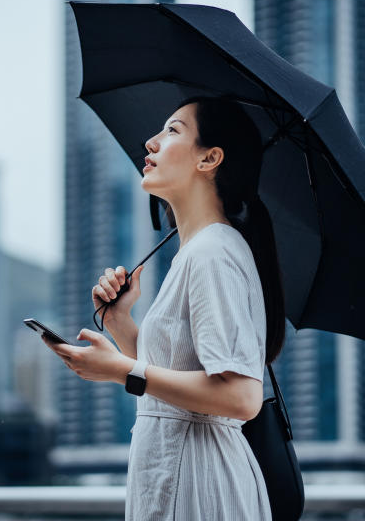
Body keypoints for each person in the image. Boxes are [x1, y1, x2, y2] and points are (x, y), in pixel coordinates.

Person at [42, 95, 287, 520]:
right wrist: (121, 324)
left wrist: (120, 370)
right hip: (178, 477)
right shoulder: (198, 252)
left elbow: (241, 395)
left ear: (209, 159)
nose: (151, 143)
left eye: (172, 130)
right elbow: (176, 383)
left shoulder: (213, 251)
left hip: (197, 484)